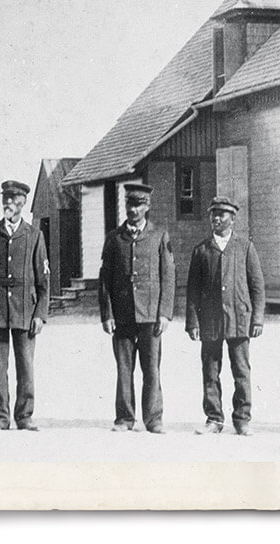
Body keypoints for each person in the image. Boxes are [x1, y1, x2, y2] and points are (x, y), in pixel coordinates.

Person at [0, 180, 50, 432]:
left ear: (23, 203)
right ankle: (0, 417)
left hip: (25, 311)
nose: (8, 203)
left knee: (25, 366)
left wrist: (40, 314)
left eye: (14, 199)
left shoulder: (34, 235)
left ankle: (24, 417)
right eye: (5, 198)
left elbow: (43, 279)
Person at [98, 183, 175, 434]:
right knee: (124, 368)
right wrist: (107, 314)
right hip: (122, 314)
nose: (133, 210)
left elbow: (168, 277)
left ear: (147, 207)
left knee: (151, 369)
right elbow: (105, 280)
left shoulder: (159, 235)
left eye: (138, 205)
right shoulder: (114, 238)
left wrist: (164, 313)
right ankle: (124, 418)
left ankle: (153, 419)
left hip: (150, 314)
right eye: (130, 204)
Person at [185, 196, 265, 436]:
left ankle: (242, 420)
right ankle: (214, 419)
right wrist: (193, 322)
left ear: (233, 218)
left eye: (221, 214)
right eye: (213, 214)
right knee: (210, 371)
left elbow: (257, 286)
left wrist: (257, 319)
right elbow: (193, 291)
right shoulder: (201, 250)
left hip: (239, 320)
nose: (216, 219)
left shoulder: (245, 247)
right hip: (210, 322)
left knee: (241, 371)